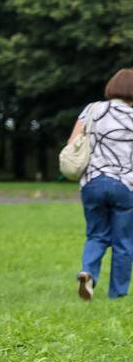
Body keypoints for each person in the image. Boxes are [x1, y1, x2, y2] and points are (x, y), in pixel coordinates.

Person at [73, 68, 133, 301]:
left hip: (93, 182)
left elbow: (74, 143)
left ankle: (88, 272)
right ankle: (117, 295)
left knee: (96, 235)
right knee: (124, 242)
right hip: (126, 186)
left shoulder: (93, 109)